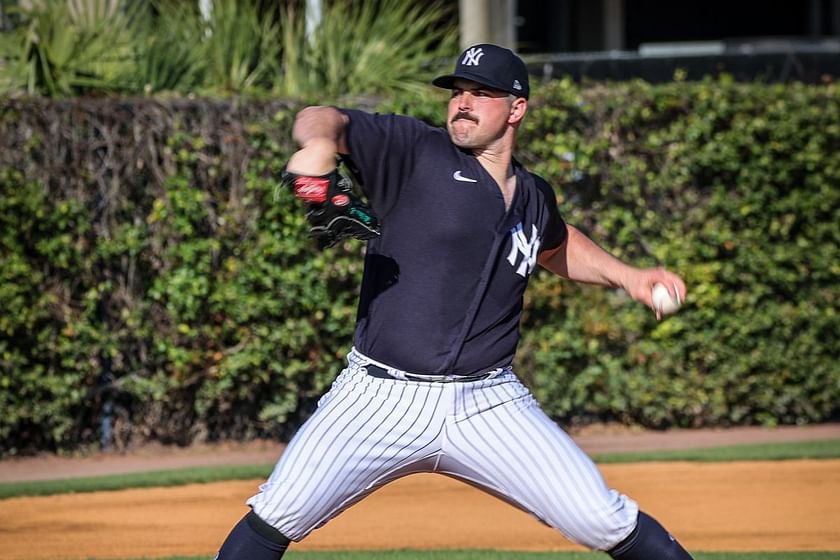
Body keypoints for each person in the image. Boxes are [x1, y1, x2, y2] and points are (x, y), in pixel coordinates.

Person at [216, 43, 692, 559]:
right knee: (277, 513)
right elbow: (321, 117)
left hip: (488, 402)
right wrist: (316, 149)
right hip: (378, 398)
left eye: (482, 92)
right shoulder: (413, 151)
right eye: (458, 91)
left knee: (603, 519)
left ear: (516, 109)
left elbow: (554, 245)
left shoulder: (533, 195)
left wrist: (631, 277)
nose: (463, 102)